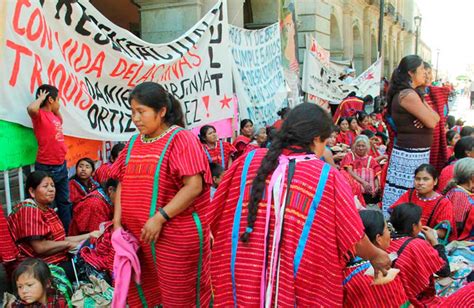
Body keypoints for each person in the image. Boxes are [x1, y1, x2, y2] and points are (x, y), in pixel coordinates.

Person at [209, 103, 390, 306]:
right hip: (298, 284)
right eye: (325, 140)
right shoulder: (326, 177)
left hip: (243, 274)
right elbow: (352, 238)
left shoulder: (247, 161)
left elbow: (217, 215)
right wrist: (376, 255)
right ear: (315, 139)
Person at [109, 82, 212, 306]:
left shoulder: (181, 139)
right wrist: (117, 223)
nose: (135, 118)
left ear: (162, 111)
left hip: (174, 238)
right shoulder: (134, 142)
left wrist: (160, 217)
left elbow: (193, 186)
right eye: (132, 112)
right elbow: (122, 183)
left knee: (179, 297)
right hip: (139, 238)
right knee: (146, 293)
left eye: (141, 111)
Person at [7, 171, 100, 281]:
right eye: (45, 186)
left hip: (57, 260)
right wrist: (69, 245)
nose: (51, 189)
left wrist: (89, 235)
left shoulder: (48, 210)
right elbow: (40, 247)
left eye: (52, 186)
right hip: (36, 269)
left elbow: (60, 240)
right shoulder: (28, 209)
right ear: (32, 191)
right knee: (92, 264)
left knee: (95, 247)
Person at [382, 55, 440, 215]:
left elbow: (435, 118)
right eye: (422, 69)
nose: (425, 73)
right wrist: (425, 116)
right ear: (411, 73)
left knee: (410, 192)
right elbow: (432, 122)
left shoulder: (413, 94)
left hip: (415, 152)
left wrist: (425, 114)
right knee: (405, 193)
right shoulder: (408, 95)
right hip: (410, 155)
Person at [27, 85, 71, 232]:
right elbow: (31, 109)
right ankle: (51, 233)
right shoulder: (39, 115)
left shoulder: (54, 116)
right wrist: (41, 98)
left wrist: (55, 106)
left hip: (61, 165)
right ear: (51, 99)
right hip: (47, 167)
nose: (60, 103)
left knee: (64, 201)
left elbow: (61, 118)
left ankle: (66, 231)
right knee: (47, 203)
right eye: (58, 99)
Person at [389, 203, 450, 307]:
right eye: (420, 221)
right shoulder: (418, 245)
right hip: (414, 300)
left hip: (394, 297)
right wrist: (435, 243)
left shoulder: (387, 241)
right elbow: (444, 271)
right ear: (414, 226)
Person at [343, 210, 409, 308]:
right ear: (378, 238)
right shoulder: (381, 272)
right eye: (387, 228)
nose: (390, 233)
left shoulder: (342, 266)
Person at [391, 164, 456, 242]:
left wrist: (427, 233)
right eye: (417, 179)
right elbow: (395, 214)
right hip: (404, 237)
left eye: (426, 179)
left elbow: (443, 232)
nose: (421, 183)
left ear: (435, 181)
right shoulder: (410, 194)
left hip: (429, 241)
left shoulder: (443, 203)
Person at [423, 62, 451, 173]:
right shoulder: (409, 94)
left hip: (435, 137)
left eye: (430, 73)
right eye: (424, 73)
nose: (428, 76)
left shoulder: (438, 93)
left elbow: (442, 116)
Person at [341, 135, 381, 205]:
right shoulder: (349, 156)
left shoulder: (371, 159)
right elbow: (349, 172)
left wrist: (377, 186)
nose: (360, 148)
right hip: (354, 191)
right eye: (358, 146)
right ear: (354, 146)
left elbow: (376, 174)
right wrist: (363, 183)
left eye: (363, 146)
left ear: (367, 147)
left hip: (369, 193)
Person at [443, 158, 474, 240]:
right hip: (460, 243)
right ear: (472, 177)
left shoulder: (465, 192)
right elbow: (456, 228)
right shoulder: (459, 195)